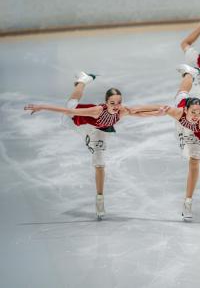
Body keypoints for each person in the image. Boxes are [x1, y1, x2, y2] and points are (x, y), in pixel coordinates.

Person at [24, 72, 157, 220]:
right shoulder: (97, 111)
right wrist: (42, 106)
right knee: (72, 102)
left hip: (97, 133)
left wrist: (161, 111)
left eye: (118, 103)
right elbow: (69, 111)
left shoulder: (122, 110)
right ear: (106, 102)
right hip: (74, 122)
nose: (115, 106)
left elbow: (138, 111)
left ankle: (100, 199)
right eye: (112, 103)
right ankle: (83, 80)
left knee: (100, 164)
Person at [129, 70, 200, 221]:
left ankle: (188, 201)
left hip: (199, 134)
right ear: (185, 110)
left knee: (194, 161)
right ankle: (190, 74)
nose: (196, 115)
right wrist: (134, 110)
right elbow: (157, 106)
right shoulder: (178, 112)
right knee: (181, 92)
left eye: (199, 112)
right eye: (193, 112)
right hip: (182, 128)